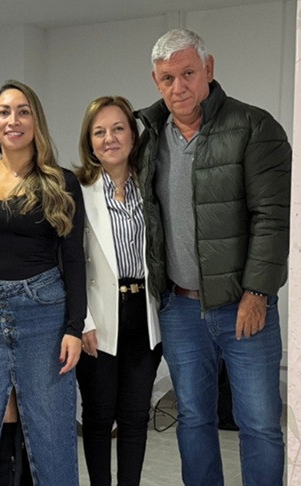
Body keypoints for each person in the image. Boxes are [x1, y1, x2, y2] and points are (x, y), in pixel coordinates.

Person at [136, 29, 290, 486]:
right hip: (180, 308)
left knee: (259, 423)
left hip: (243, 305)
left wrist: (257, 292)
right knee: (193, 418)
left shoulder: (254, 127)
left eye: (187, 73)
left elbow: (273, 218)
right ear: (156, 80)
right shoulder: (149, 137)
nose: (178, 87)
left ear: (209, 68)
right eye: (167, 78)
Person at [0, 80, 86, 486]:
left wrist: (74, 327)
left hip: (44, 313)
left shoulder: (61, 181)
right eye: (4, 112)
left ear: (36, 121)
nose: (13, 120)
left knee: (49, 425)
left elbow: (73, 259)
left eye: (23, 111)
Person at [74, 96, 162, 486]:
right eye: (99, 132)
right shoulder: (77, 190)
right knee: (97, 417)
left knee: (135, 417)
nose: (109, 138)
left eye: (118, 128)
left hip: (144, 311)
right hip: (98, 317)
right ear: (89, 142)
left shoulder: (152, 185)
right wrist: (83, 321)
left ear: (133, 135)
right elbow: (70, 262)